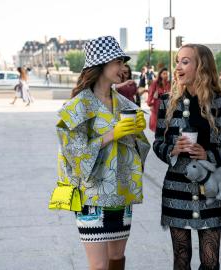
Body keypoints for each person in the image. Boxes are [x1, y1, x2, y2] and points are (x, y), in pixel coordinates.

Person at [55, 36, 150, 270]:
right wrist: (111, 134)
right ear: (101, 64)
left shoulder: (127, 106)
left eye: (123, 62)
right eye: (118, 62)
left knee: (117, 259)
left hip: (120, 191)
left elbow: (140, 152)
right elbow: (73, 156)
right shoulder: (76, 107)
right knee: (98, 265)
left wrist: (138, 133)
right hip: (91, 196)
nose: (123, 68)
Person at [153, 44, 221, 269]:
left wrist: (208, 154)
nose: (177, 67)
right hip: (176, 189)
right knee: (181, 260)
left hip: (210, 193)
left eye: (185, 61)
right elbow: (157, 144)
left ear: (202, 66)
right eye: (177, 61)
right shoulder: (165, 101)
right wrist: (172, 149)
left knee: (211, 262)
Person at [147, 67, 171, 132]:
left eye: (167, 73)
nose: (166, 75)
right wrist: (152, 101)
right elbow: (150, 96)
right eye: (164, 73)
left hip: (167, 108)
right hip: (157, 107)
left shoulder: (169, 83)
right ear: (160, 75)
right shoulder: (155, 83)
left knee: (166, 129)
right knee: (157, 129)